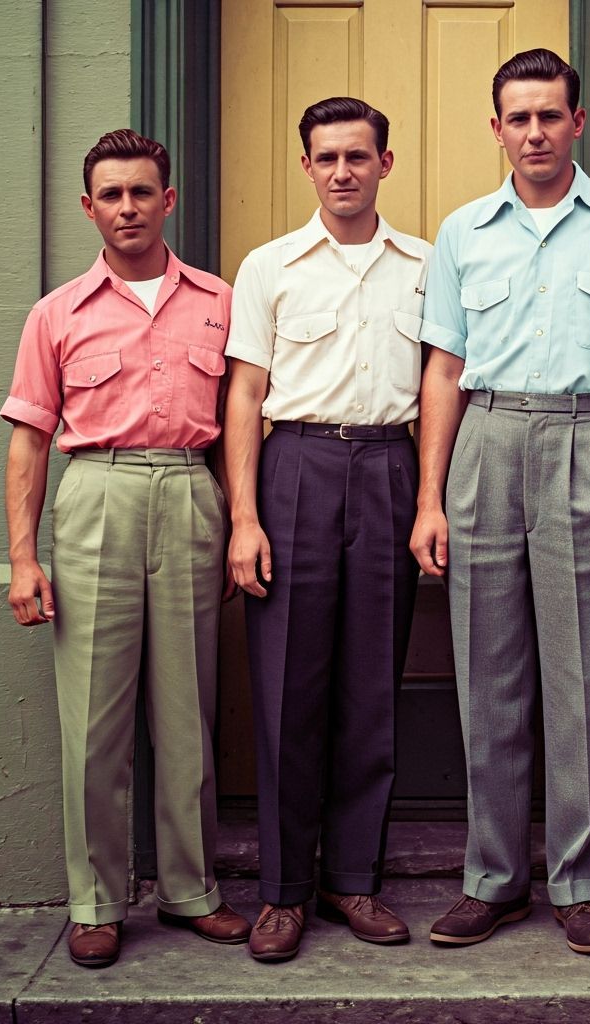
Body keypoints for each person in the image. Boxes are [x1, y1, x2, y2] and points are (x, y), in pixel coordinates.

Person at [411, 49, 590, 956]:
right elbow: (444, 369)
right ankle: (491, 879)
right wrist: (430, 499)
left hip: (585, 440)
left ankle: (578, 884)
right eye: (517, 117)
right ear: (496, 128)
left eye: (549, 115)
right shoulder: (464, 231)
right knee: (487, 680)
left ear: (577, 122)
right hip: (484, 447)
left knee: (579, 679)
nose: (534, 131)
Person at [2, 129, 250, 968]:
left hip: (187, 493)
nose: (127, 208)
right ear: (89, 207)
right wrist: (23, 558)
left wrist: (232, 522)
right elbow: (29, 443)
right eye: (111, 195)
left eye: (142, 192)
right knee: (95, 720)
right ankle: (96, 901)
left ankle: (190, 891)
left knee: (188, 709)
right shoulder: (57, 314)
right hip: (94, 498)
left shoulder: (219, 301)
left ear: (167, 200)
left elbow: (236, 429)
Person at [223, 97, 431, 963]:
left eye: (357, 155)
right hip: (295, 471)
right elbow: (241, 393)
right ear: (305, 166)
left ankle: (354, 878)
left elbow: (446, 383)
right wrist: (244, 515)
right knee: (287, 693)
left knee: (370, 687)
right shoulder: (270, 266)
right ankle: (283, 892)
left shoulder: (426, 266)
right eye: (325, 157)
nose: (342, 170)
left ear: (386, 163)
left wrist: (430, 500)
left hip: (389, 467)